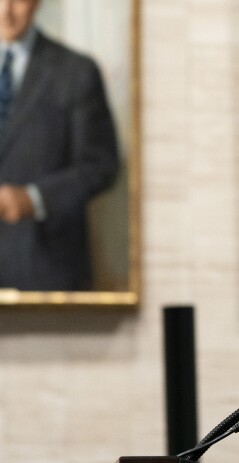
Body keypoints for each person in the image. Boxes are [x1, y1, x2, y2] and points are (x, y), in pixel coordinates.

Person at [0, 0, 119, 291]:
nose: (5, 10)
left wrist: (33, 198)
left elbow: (100, 165)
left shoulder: (76, 72)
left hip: (47, 270)